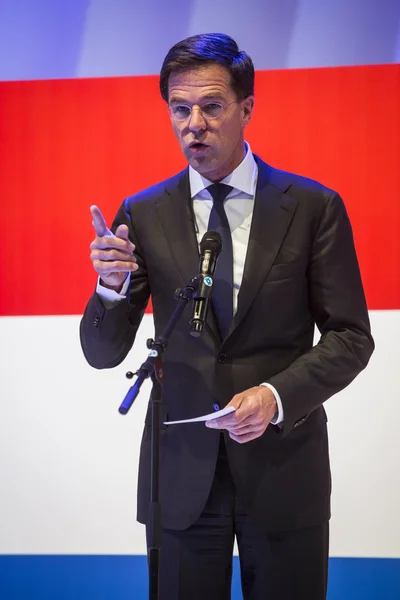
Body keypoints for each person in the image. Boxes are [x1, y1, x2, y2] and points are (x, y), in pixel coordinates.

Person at [80, 33, 374, 600]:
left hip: (284, 468)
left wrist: (277, 395)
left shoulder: (313, 207)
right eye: (179, 108)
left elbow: (350, 337)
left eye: (212, 106)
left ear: (247, 109)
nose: (195, 124)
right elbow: (102, 354)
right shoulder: (142, 213)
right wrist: (110, 289)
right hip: (182, 474)